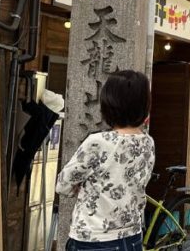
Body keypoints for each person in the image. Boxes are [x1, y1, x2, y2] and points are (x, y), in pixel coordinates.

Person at [56, 70, 155, 250]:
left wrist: (82, 188)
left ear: (109, 104)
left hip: (94, 238)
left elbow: (63, 184)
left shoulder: (98, 142)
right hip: (132, 236)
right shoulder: (147, 142)